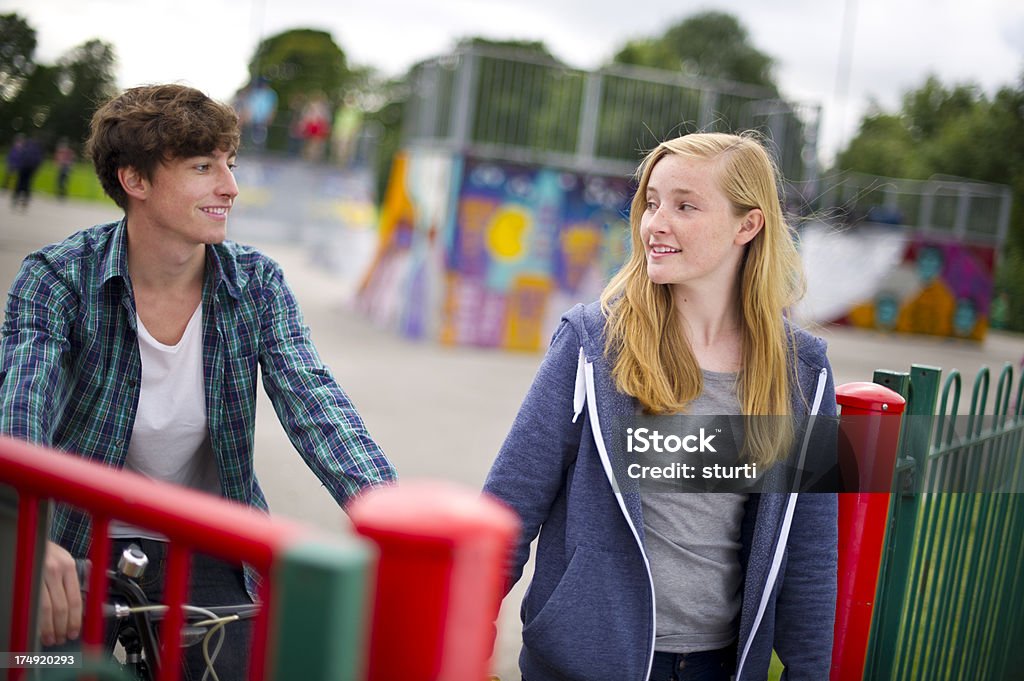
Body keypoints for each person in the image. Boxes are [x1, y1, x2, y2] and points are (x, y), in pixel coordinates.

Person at [0, 84, 396, 677]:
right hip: (73, 534)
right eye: (202, 166)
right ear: (134, 180)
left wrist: (392, 520)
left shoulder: (257, 283)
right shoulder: (58, 277)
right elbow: (21, 407)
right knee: (33, 664)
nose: (230, 187)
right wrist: (26, 538)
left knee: (235, 666)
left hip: (210, 535)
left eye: (230, 165)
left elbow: (317, 404)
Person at [483, 132, 838, 681]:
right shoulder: (592, 343)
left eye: (685, 206)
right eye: (651, 203)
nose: (656, 223)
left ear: (748, 225)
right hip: (582, 663)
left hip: (716, 667)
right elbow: (508, 509)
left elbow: (810, 558)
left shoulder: (802, 372)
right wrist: (462, 636)